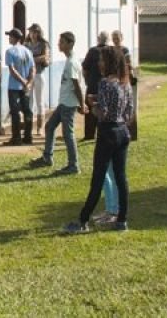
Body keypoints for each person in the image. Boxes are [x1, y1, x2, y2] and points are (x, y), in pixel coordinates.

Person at [62, 46, 134, 234]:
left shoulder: (105, 84)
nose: (99, 63)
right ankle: (122, 220)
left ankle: (83, 221)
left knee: (98, 179)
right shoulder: (125, 84)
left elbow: (102, 113)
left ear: (109, 62)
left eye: (102, 60)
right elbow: (128, 112)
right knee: (121, 177)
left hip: (107, 133)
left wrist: (92, 105)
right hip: (122, 132)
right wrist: (101, 102)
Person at [32, 32, 85, 173]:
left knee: (68, 134)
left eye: (62, 42)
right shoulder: (69, 60)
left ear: (70, 44)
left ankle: (73, 165)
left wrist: (82, 104)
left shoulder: (73, 62)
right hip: (64, 102)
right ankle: (47, 157)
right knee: (49, 127)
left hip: (69, 104)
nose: (58, 44)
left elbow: (77, 85)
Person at [3, 29, 35, 146]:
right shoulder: (28, 51)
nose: (9, 38)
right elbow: (33, 68)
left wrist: (22, 81)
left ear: (14, 38)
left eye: (10, 36)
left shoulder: (10, 51)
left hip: (14, 87)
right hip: (25, 86)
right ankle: (28, 136)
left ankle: (16, 138)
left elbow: (12, 70)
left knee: (15, 112)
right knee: (27, 111)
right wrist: (28, 82)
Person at [80, 31, 108, 141]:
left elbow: (85, 69)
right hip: (108, 85)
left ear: (98, 38)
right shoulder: (111, 51)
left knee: (91, 111)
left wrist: (87, 81)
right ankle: (103, 134)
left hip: (93, 84)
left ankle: (89, 134)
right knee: (105, 109)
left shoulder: (92, 51)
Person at [28, 24, 51, 130]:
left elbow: (44, 57)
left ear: (38, 33)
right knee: (29, 101)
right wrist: (36, 59)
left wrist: (31, 59)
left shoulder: (43, 44)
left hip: (39, 74)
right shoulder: (26, 44)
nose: (32, 34)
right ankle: (29, 127)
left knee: (39, 101)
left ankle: (40, 127)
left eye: (34, 32)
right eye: (31, 32)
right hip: (28, 75)